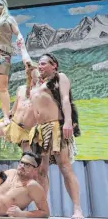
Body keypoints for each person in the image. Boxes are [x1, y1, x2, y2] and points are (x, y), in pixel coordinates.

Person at [29, 53, 83, 219]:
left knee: (65, 167)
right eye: (39, 63)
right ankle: (43, 210)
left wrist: (67, 121)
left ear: (54, 65)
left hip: (55, 126)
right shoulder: (36, 84)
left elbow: (66, 99)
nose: (40, 66)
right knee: (40, 171)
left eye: (44, 63)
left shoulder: (60, 77)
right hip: (39, 130)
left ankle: (77, 209)